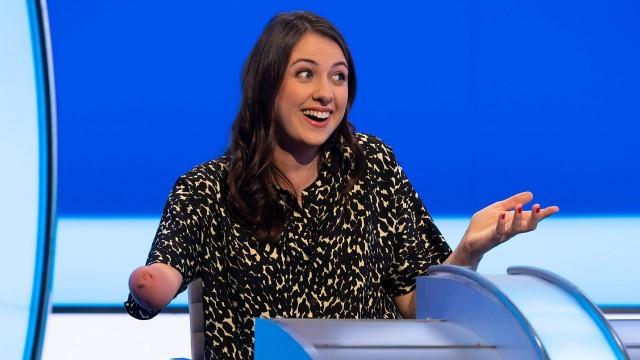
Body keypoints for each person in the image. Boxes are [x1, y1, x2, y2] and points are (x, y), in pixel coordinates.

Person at [125, 11, 559, 359]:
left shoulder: (371, 165)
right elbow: (161, 275)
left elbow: (419, 307)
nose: (326, 94)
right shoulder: (206, 189)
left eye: (338, 77)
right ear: (266, 84)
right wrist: (154, 285)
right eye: (305, 74)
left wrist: (469, 248)